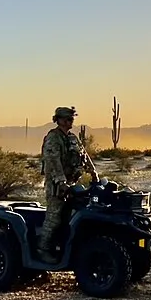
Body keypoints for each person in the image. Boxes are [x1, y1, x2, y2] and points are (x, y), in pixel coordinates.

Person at [37, 106, 99, 263]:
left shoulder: (72, 138)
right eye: (68, 119)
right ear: (59, 120)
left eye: (72, 119)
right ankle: (43, 249)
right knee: (54, 217)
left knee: (70, 216)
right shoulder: (53, 138)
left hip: (71, 184)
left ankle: (63, 248)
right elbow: (53, 162)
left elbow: (83, 155)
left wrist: (93, 172)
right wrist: (61, 181)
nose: (71, 121)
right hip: (56, 185)